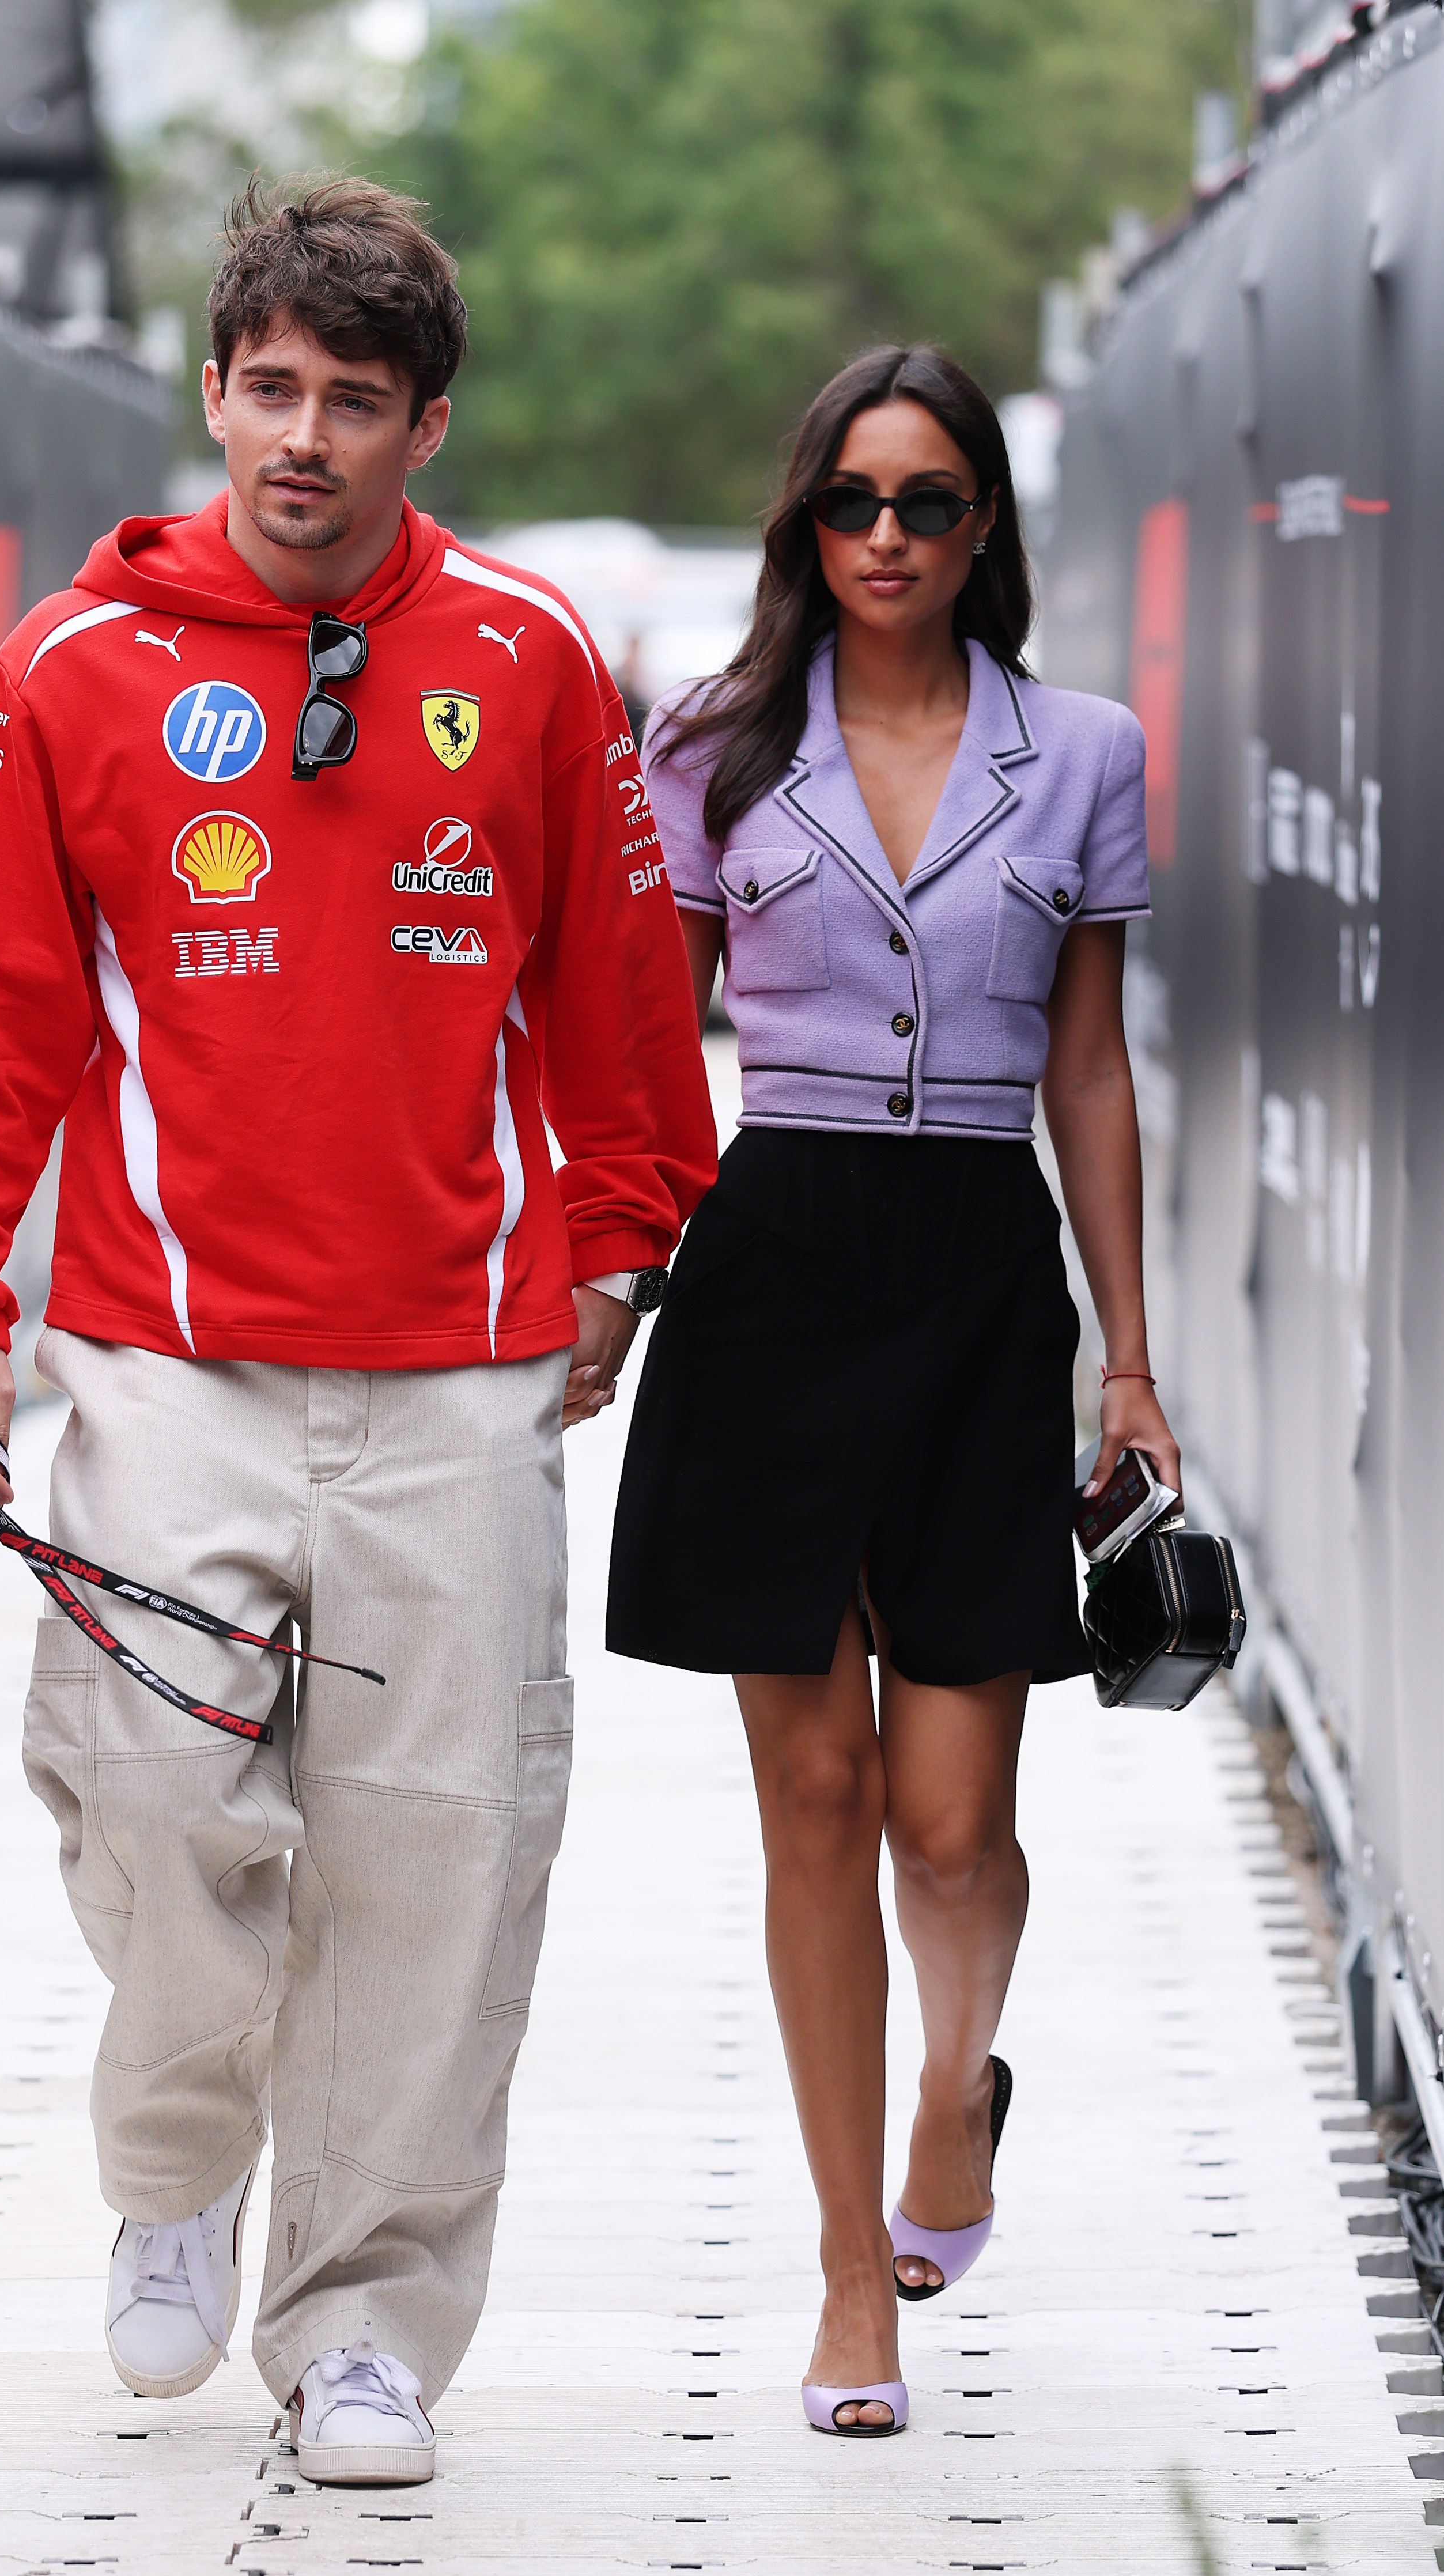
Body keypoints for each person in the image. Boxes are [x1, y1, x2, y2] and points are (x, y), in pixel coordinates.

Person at [0, 176, 715, 2487]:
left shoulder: (531, 660)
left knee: (439, 1853)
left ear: (421, 425)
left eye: (359, 400)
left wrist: (621, 1235)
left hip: (455, 1375)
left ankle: (363, 2323)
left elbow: (620, 1001)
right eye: (272, 389)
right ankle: (178, 2149)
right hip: (161, 1359)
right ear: (214, 392)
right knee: (151, 1793)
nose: (307, 437)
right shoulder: (72, 670)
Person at [606, 343, 1179, 2439]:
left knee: (956, 1824)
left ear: (984, 526)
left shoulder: (1090, 750)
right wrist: (619, 1277)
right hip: (770, 1266)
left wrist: (1129, 1354)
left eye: (925, 503)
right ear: (803, 521)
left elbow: (1090, 1068)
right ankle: (855, 2276)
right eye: (850, 502)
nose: (882, 540)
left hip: (973, 1275)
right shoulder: (716, 745)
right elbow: (651, 1055)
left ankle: (961, 2089)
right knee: (816, 1801)